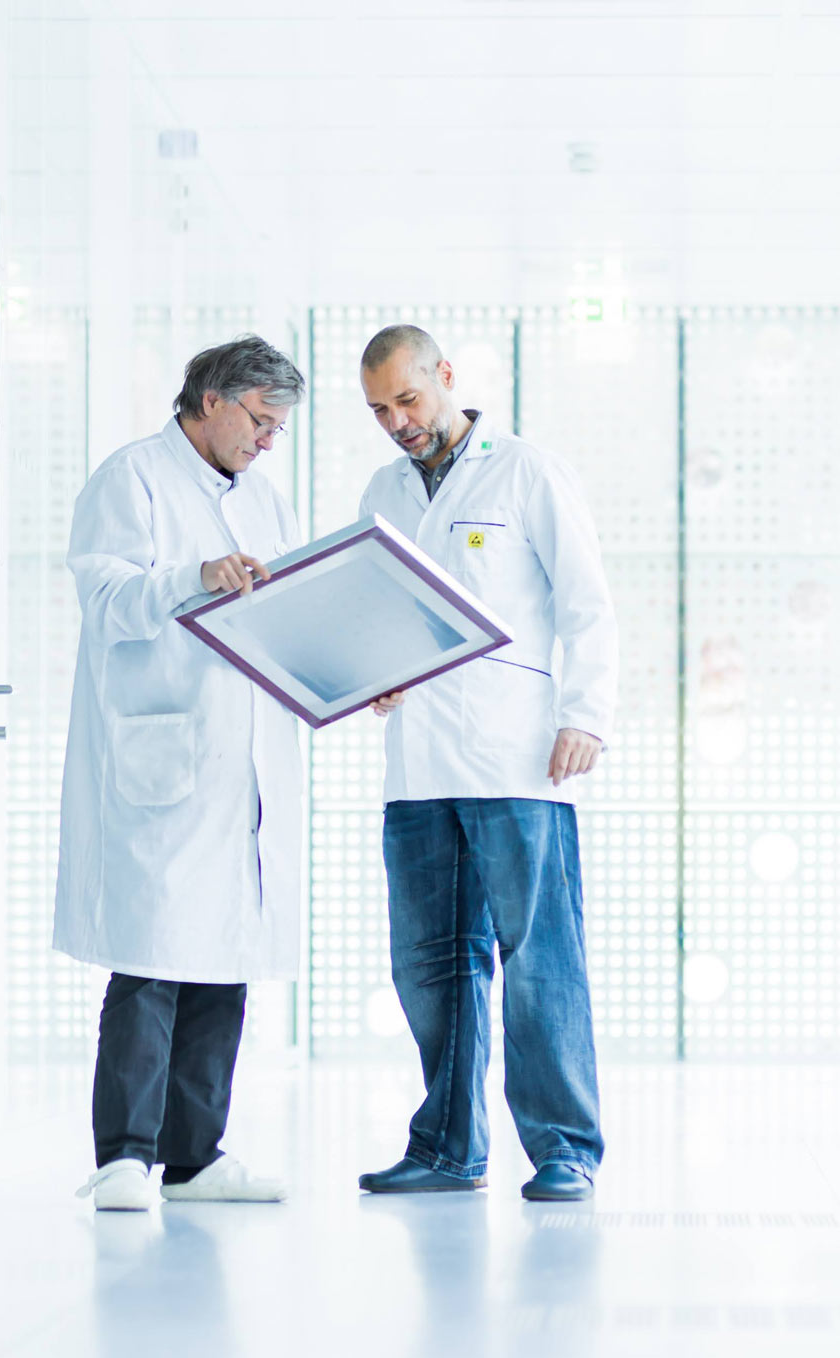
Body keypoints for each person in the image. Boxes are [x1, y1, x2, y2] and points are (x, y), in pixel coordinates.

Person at [355, 325, 617, 1202]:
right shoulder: (383, 492)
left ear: (446, 376)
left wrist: (586, 716)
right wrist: (373, 674)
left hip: (516, 756)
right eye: (380, 410)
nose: (398, 422)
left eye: (408, 399)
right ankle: (447, 1148)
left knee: (539, 962)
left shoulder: (526, 472)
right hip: (419, 764)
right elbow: (376, 610)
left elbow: (587, 604)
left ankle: (564, 1149)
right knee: (430, 965)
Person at [54, 335, 306, 1209]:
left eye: (278, 427)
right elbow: (106, 603)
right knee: (151, 956)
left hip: (245, 760)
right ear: (211, 401)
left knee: (224, 955)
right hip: (161, 754)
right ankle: (124, 1157)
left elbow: (286, 615)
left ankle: (195, 1161)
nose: (268, 440)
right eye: (261, 420)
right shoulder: (132, 479)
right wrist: (194, 577)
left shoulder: (266, 499)